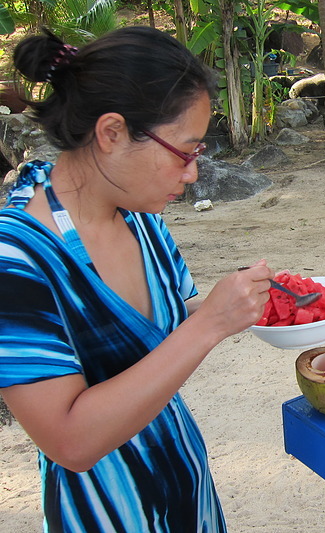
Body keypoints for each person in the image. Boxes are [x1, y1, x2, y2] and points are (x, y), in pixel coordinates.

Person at [0, 26, 274, 531]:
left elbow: (166, 322)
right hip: (107, 513)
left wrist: (258, 306)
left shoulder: (138, 216)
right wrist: (209, 324)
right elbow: (70, 440)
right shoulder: (16, 258)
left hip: (186, 490)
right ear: (111, 133)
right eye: (184, 152)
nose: (192, 173)